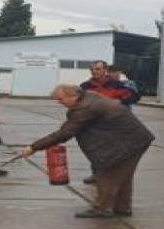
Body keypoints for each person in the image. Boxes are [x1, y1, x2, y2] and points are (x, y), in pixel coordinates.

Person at [23, 84, 156, 218]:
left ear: (73, 96)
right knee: (122, 177)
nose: (59, 102)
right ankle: (122, 208)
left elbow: (66, 133)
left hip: (128, 143)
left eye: (61, 99)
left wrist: (34, 147)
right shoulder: (88, 98)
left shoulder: (85, 108)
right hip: (134, 140)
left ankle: (102, 209)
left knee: (106, 175)